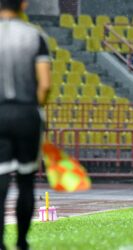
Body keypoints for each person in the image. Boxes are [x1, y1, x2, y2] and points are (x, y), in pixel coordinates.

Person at [0, 0, 51, 249]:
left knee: (0, 182)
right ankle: (21, 241)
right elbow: (45, 84)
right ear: (24, 4)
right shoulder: (35, 36)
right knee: (26, 181)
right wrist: (37, 108)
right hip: (26, 113)